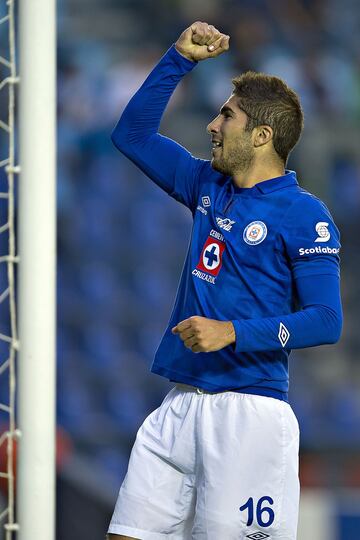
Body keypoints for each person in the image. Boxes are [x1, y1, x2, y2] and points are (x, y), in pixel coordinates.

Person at [107, 21, 342, 540]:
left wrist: (231, 332)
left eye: (227, 116)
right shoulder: (206, 184)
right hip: (180, 402)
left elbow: (327, 320)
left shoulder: (305, 215)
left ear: (262, 136)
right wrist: (178, 59)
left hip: (250, 415)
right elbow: (133, 136)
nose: (213, 125)